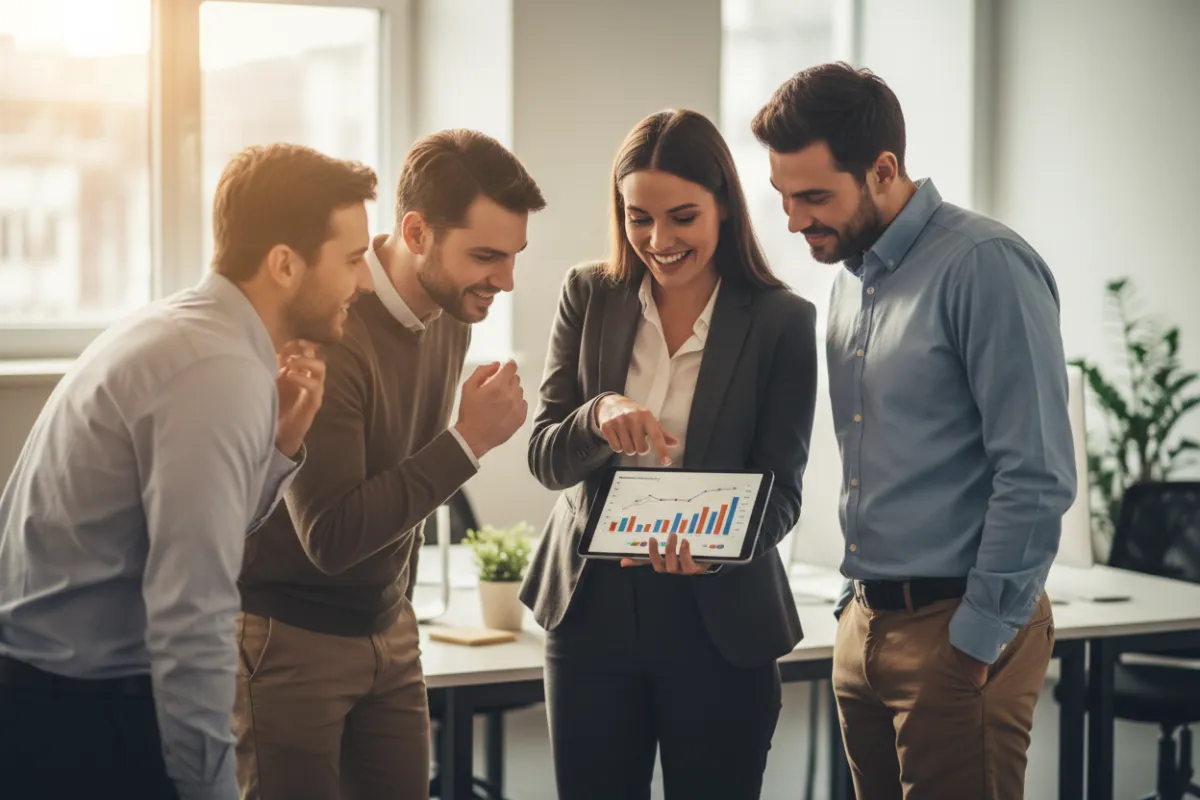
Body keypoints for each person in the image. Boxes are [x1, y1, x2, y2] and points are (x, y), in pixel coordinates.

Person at [0, 143, 377, 800]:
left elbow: (197, 531)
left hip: (53, 692)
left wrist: (281, 441)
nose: (365, 282)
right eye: (351, 260)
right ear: (284, 264)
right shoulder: (217, 372)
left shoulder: (190, 333)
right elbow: (192, 609)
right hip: (79, 717)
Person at [752, 62, 1077, 799]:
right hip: (866, 623)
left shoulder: (984, 265)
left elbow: (1037, 471)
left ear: (884, 169)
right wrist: (851, 612)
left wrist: (976, 639)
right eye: (783, 197)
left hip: (957, 631)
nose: (796, 219)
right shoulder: (846, 282)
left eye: (813, 196)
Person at [233, 129, 545, 800]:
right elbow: (332, 535)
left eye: (514, 257)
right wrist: (466, 443)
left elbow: (397, 473)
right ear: (415, 231)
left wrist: (399, 605)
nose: (506, 281)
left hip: (388, 629)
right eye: (487, 256)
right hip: (291, 638)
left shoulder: (453, 311)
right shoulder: (332, 326)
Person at [521, 109, 818, 800]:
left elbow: (782, 492)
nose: (659, 240)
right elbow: (544, 457)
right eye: (638, 217)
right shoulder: (589, 294)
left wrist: (717, 545)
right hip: (590, 609)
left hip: (718, 617)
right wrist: (597, 416)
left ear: (724, 206)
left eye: (683, 216)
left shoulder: (783, 323)